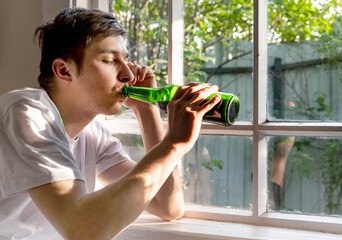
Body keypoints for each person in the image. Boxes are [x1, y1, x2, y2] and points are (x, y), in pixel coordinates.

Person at [0, 7, 221, 239]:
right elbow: (82, 230)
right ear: (64, 71)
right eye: (109, 60)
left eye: (125, 60)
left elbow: (168, 205)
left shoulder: (92, 133)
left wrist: (146, 110)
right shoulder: (25, 115)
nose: (128, 74)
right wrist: (174, 143)